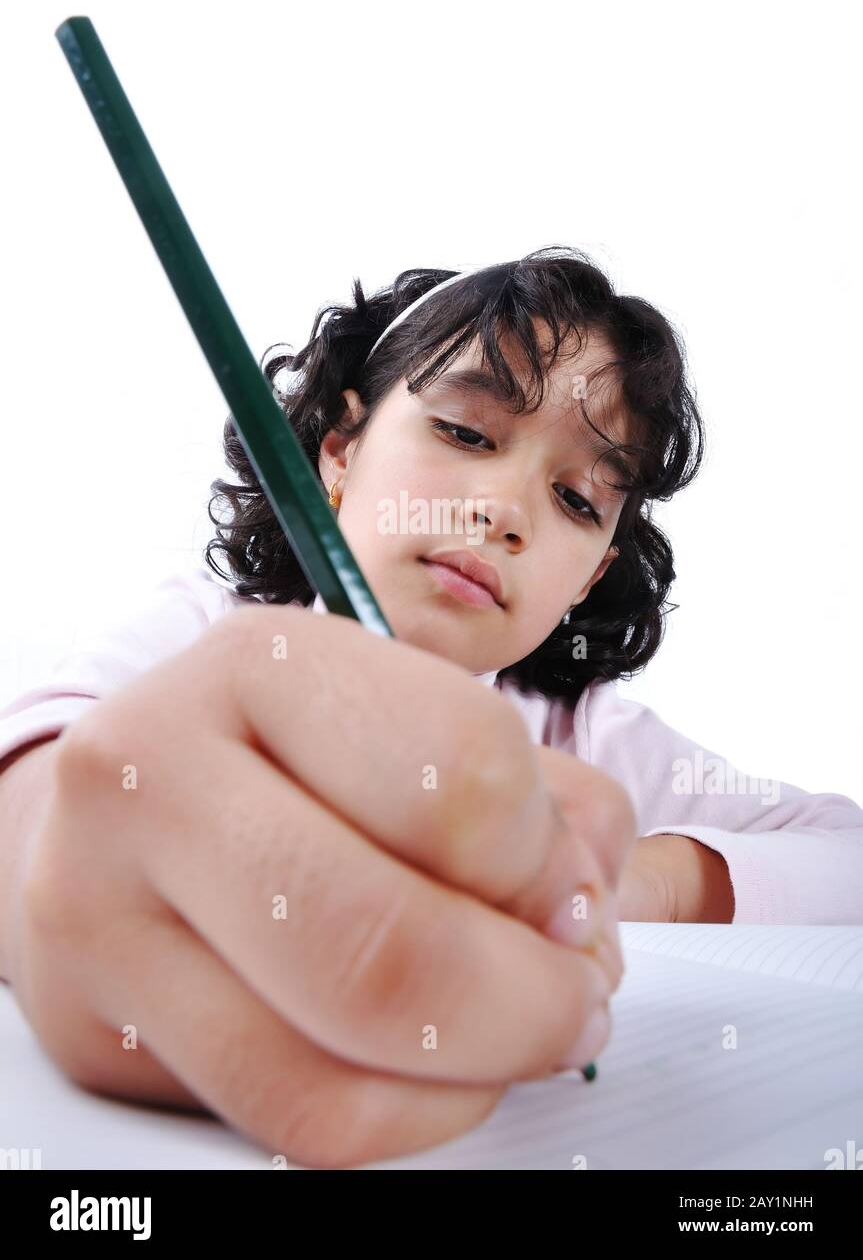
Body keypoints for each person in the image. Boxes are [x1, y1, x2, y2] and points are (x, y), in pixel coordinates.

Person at [1, 247, 860, 1168]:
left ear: (591, 575)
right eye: (465, 434)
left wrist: (623, 883)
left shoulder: (585, 736)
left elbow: (841, 854)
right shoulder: (205, 630)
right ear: (339, 453)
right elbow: (34, 776)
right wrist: (54, 857)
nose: (504, 511)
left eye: (576, 499)